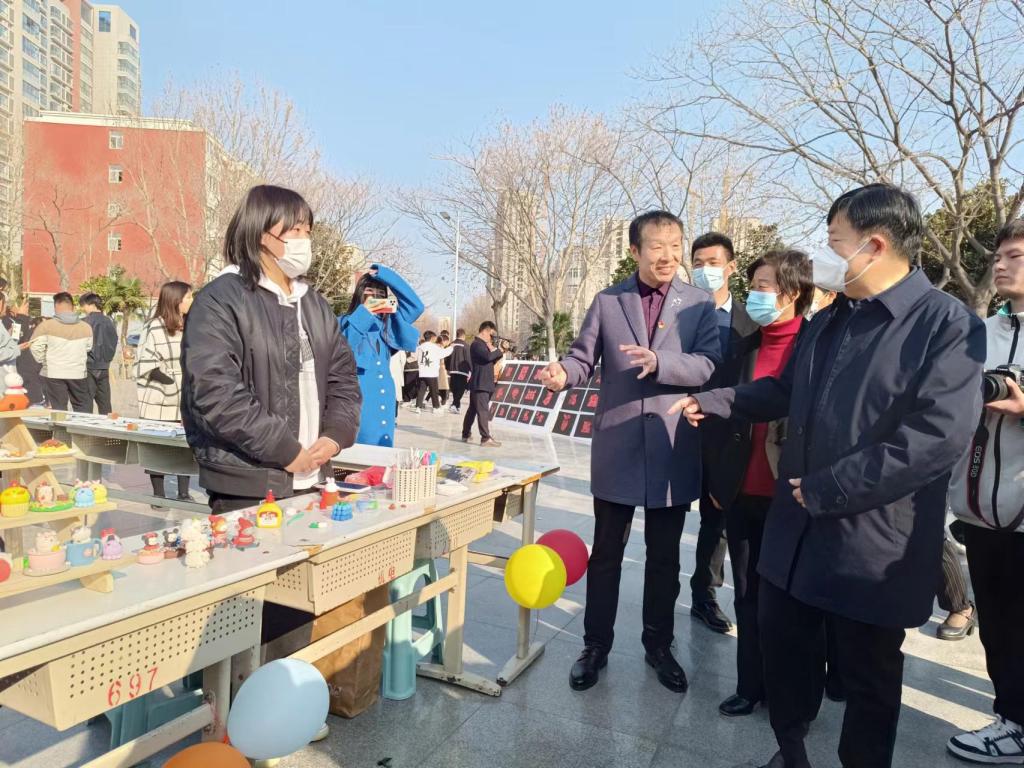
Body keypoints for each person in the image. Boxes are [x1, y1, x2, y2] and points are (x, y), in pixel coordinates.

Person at [671, 184, 985, 768]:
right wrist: (717, 401)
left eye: (835, 241)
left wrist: (830, 487)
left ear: (874, 245)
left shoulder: (946, 325)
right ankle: (790, 752)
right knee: (785, 653)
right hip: (796, 533)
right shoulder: (830, 319)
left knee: (867, 677)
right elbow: (785, 390)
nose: (825, 255)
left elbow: (937, 437)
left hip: (873, 543)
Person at [539, 210, 721, 694]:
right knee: (606, 555)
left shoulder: (698, 304)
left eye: (675, 245)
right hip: (618, 446)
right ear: (635, 250)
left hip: (671, 446)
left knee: (663, 559)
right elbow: (583, 358)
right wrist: (563, 373)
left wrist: (661, 362)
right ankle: (595, 645)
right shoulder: (608, 301)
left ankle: (659, 645)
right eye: (657, 246)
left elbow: (708, 364)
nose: (668, 255)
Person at [181, 184, 362, 513]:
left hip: (314, 480)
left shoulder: (314, 305)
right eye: (295, 230)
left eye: (308, 231)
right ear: (262, 233)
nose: (304, 240)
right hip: (248, 484)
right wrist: (284, 450)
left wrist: (335, 435)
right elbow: (215, 392)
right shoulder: (221, 300)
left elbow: (344, 379)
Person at [702, 250, 814, 717]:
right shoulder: (742, 346)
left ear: (792, 292)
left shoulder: (815, 346)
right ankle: (750, 684)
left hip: (796, 497)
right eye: (753, 286)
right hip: (743, 491)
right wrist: (718, 479)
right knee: (748, 593)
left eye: (764, 286)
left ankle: (794, 695)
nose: (755, 295)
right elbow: (721, 413)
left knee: (792, 602)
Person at [946, 218, 1024, 764]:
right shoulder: (980, 333)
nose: (1000, 264)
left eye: (1015, 256)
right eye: (998, 256)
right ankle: (1012, 721)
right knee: (997, 624)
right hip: (980, 509)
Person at [688, 231, 757, 635]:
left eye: (712, 263)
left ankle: (704, 595)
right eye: (697, 263)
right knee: (665, 521)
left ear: (731, 267)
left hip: (728, 436)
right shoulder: (679, 318)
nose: (704, 270)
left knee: (718, 522)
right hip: (681, 431)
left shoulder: (752, 323)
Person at [339, 266, 423, 445]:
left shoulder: (388, 326)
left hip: (385, 400)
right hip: (356, 402)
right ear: (360, 294)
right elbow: (344, 349)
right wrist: (365, 312)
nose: (376, 298)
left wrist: (384, 275)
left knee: (382, 451)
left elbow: (416, 306)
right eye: (370, 292)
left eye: (380, 294)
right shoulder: (344, 321)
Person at [136, 281, 194, 503]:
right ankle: (158, 494)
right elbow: (144, 362)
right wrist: (169, 381)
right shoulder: (154, 326)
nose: (191, 301)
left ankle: (183, 492)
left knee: (185, 443)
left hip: (186, 392)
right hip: (159, 394)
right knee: (158, 446)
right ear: (176, 300)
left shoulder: (190, 324)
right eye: (188, 297)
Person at [30, 292, 93, 412]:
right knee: (82, 408)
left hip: (53, 373)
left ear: (55, 306)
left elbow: (35, 347)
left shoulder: (46, 326)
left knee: (59, 410)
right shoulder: (86, 327)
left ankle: (60, 425)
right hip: (78, 372)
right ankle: (81, 425)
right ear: (72, 306)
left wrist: (45, 361)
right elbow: (88, 347)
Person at [462, 321, 505, 446]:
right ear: (485, 331)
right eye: (491, 335)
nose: (492, 338)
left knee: (473, 410)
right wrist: (499, 350)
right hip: (481, 383)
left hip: (481, 382)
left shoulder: (481, 345)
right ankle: (485, 438)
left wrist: (501, 352)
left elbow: (489, 361)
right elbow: (487, 357)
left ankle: (466, 433)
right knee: (482, 411)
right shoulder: (477, 344)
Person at [79, 293, 118, 414]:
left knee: (86, 404)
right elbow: (114, 341)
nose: (83, 308)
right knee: (105, 404)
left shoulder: (84, 322)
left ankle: (86, 426)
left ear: (91, 304)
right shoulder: (109, 321)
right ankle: (106, 425)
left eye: (83, 305)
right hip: (104, 367)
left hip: (88, 367)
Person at [3, 299, 43, 405]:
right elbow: (15, 339)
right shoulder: (7, 321)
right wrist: (21, 317)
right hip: (15, 372)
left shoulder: (15, 320)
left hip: (25, 370)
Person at [414, 331, 452, 413]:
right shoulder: (434, 347)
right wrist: (451, 348)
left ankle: (418, 407)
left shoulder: (419, 347)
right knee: (434, 390)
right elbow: (443, 353)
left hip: (422, 372)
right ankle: (436, 407)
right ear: (432, 338)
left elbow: (415, 356)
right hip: (432, 373)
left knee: (421, 390)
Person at [447, 328, 471, 413]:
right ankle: (454, 404)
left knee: (455, 388)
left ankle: (457, 406)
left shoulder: (451, 344)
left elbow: (447, 356)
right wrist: (472, 368)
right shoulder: (466, 346)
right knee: (461, 388)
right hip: (462, 370)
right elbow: (468, 358)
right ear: (463, 336)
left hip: (452, 369)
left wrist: (447, 367)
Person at [437, 331, 451, 406]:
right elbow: (444, 354)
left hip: (443, 369)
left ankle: (442, 400)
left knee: (442, 386)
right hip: (441, 369)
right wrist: (451, 348)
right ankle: (443, 401)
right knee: (443, 386)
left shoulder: (439, 347)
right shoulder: (440, 348)